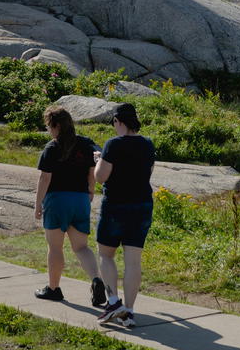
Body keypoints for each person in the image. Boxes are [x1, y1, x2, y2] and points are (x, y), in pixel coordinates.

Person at [34, 105, 106, 306]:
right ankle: (96, 279)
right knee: (81, 247)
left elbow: (44, 178)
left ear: (55, 126)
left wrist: (38, 203)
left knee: (55, 246)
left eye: (49, 126)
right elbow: (94, 167)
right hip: (81, 200)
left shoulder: (51, 148)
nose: (49, 130)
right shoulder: (85, 144)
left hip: (57, 201)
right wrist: (91, 190)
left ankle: (54, 288)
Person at [94, 102, 156, 329]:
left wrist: (98, 161)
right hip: (142, 206)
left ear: (119, 121)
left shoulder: (113, 144)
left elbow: (101, 177)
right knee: (133, 260)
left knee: (106, 254)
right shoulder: (147, 144)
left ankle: (113, 302)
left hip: (116, 206)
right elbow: (148, 173)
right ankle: (129, 310)